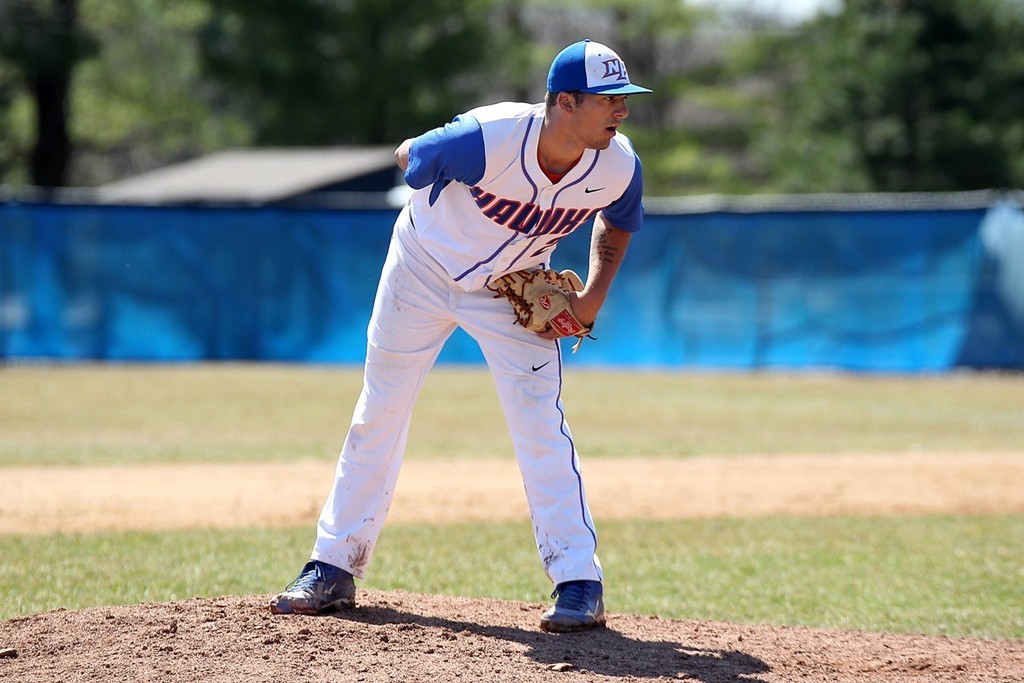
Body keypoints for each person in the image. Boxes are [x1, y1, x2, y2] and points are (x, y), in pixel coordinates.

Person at [269, 38, 651, 633]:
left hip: (509, 290)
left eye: (624, 99)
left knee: (540, 422)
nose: (622, 111)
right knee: (380, 411)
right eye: (609, 100)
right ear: (565, 103)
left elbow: (621, 217)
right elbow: (410, 154)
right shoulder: (492, 137)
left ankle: (579, 581)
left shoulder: (618, 163)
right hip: (420, 268)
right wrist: (430, 153)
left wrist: (594, 294)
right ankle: (333, 565)